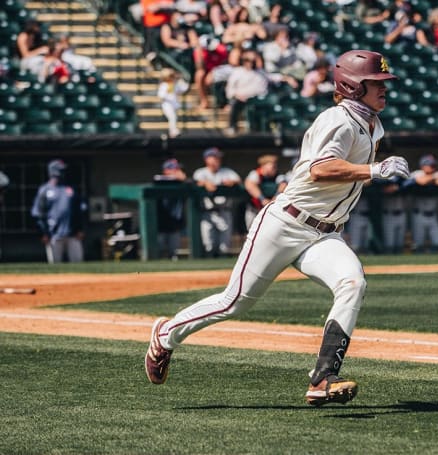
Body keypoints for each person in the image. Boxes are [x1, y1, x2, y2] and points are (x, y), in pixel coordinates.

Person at [145, 49, 409, 407]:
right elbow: (320, 168)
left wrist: (373, 169)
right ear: (352, 86)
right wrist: (374, 170)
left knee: (353, 283)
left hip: (324, 232)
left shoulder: (372, 124)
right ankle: (166, 334)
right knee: (234, 303)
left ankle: (323, 377)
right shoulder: (339, 119)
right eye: (376, 82)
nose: (385, 88)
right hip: (286, 222)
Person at [31, 160, 86, 263]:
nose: (63, 173)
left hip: (72, 234)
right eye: (61, 170)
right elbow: (39, 213)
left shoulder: (71, 189)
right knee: (55, 266)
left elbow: (80, 210)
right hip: (53, 235)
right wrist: (44, 232)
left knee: (78, 264)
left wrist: (80, 229)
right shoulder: (45, 190)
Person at [193, 147, 242, 256]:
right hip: (208, 211)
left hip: (224, 210)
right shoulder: (201, 172)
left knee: (224, 247)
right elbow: (196, 181)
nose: (217, 160)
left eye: (218, 157)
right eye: (214, 157)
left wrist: (232, 182)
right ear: (206, 159)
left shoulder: (226, 171)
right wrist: (205, 183)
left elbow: (238, 180)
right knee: (208, 244)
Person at [409, 154, 438, 253]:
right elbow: (421, 181)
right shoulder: (417, 173)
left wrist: (433, 179)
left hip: (432, 216)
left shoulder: (435, 175)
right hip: (419, 215)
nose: (433, 167)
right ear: (423, 166)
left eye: (433, 165)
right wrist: (434, 178)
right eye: (431, 165)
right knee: (418, 246)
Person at [224, 49, 270, 135]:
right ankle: (232, 127)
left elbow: (273, 78)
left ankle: (262, 130)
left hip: (258, 99)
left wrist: (287, 78)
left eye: (252, 61)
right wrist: (237, 95)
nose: (250, 63)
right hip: (240, 99)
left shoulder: (261, 72)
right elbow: (230, 88)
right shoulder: (237, 72)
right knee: (234, 104)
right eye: (247, 60)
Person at [154, 158, 188, 259]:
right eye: (174, 169)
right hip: (160, 226)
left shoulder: (181, 183)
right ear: (166, 171)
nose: (177, 172)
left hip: (174, 225)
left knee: (174, 254)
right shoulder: (159, 181)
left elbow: (191, 183)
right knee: (159, 252)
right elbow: (157, 180)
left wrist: (184, 179)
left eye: (178, 169)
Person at [243, 154, 286, 230]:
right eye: (272, 165)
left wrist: (274, 199)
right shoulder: (255, 173)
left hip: (270, 210)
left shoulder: (278, 175)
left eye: (275, 165)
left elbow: (284, 185)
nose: (274, 167)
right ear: (263, 166)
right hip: (255, 210)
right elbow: (249, 185)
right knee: (252, 232)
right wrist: (262, 199)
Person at [193, 35, 230, 110]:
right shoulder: (199, 51)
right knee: (199, 74)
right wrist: (199, 52)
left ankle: (225, 103)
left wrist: (213, 72)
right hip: (207, 71)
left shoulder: (220, 49)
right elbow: (199, 67)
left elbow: (225, 64)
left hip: (218, 71)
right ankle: (204, 101)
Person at [158, 67, 189, 138]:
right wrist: (168, 95)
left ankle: (173, 130)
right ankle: (173, 131)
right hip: (167, 105)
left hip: (174, 105)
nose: (172, 78)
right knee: (172, 117)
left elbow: (185, 88)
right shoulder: (164, 85)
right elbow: (161, 95)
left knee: (174, 117)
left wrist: (180, 80)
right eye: (171, 76)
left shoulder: (175, 84)